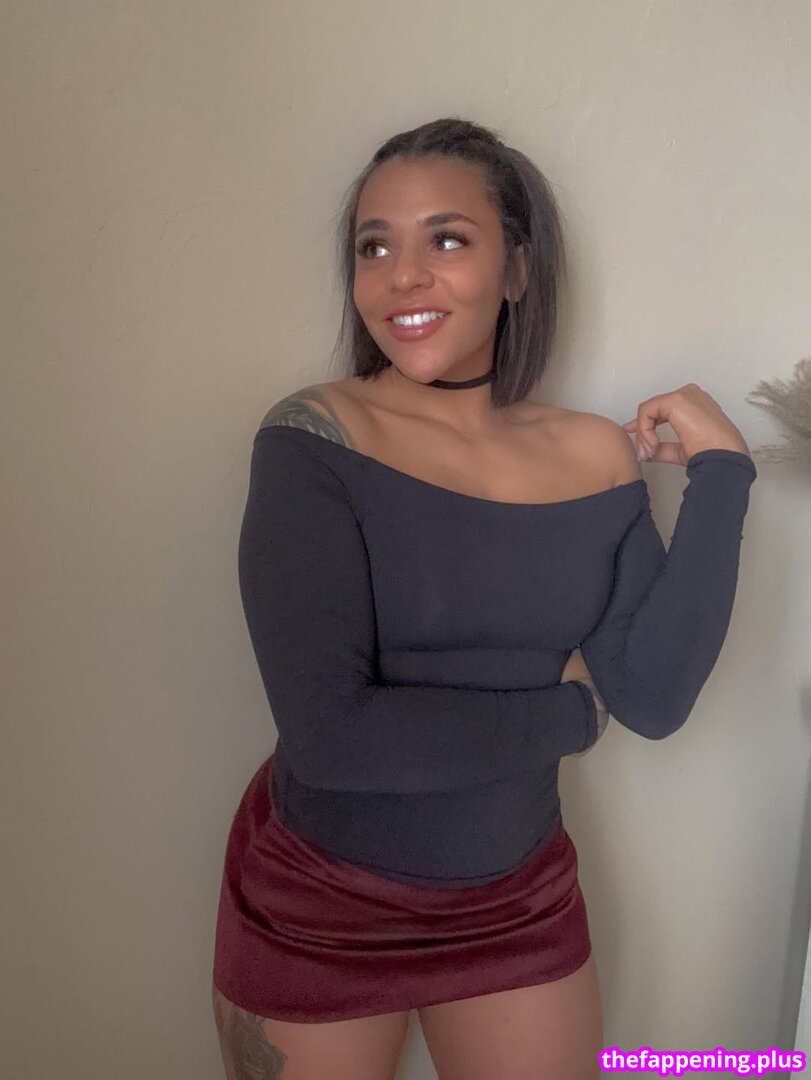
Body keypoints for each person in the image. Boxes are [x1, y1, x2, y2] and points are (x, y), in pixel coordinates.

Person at [211, 117, 757, 1080]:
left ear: (517, 269)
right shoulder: (312, 437)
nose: (402, 276)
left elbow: (653, 694)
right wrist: (570, 712)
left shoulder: (593, 452)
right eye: (374, 247)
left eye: (447, 238)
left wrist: (721, 475)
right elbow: (334, 738)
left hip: (518, 900)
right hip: (320, 903)